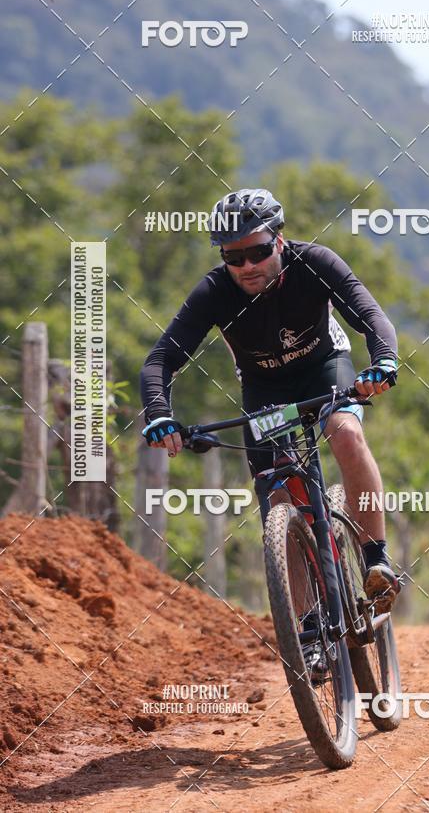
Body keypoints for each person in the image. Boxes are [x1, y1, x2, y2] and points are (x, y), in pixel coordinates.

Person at [140, 188, 401, 679]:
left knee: (344, 431)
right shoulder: (215, 291)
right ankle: (308, 626)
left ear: (279, 241)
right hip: (265, 392)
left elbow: (371, 317)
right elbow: (161, 360)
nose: (246, 266)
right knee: (283, 502)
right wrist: (159, 413)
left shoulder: (315, 261)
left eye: (257, 251)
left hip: (326, 369)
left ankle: (376, 558)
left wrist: (383, 362)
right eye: (232, 256)